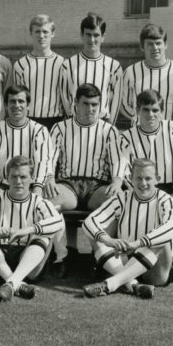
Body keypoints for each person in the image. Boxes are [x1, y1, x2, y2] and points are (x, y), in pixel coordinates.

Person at [120, 89, 173, 284]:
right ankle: (161, 264)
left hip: (171, 186)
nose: (150, 115)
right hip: (142, 189)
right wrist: (140, 193)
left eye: (155, 110)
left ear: (162, 111)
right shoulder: (127, 136)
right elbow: (123, 170)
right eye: (145, 110)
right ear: (137, 111)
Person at [0, 155, 65, 302]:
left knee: (44, 233)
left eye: (23, 177)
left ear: (32, 178)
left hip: (29, 261)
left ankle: (11, 283)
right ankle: (15, 283)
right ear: (7, 178)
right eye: (14, 176)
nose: (18, 181)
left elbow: (57, 221)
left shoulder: (39, 202)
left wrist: (26, 230)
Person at [46, 83, 123, 272]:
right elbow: (49, 157)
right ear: (76, 104)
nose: (90, 109)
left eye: (95, 105)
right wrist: (48, 177)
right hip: (69, 183)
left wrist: (117, 181)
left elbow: (118, 160)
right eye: (86, 104)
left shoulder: (109, 130)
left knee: (119, 201)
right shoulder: (60, 128)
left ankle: (104, 255)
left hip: (97, 186)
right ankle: (62, 254)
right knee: (49, 201)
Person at [82, 158, 173, 299]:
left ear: (157, 179)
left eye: (148, 178)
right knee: (97, 237)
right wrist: (108, 240)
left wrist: (137, 244)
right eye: (138, 178)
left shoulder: (168, 201)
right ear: (130, 179)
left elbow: (170, 228)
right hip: (125, 260)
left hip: (155, 270)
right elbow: (89, 221)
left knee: (161, 240)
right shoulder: (122, 198)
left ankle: (110, 284)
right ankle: (134, 285)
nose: (143, 183)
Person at [0, 85, 51, 199]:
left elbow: (42, 162)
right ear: (6, 105)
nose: (16, 105)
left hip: (30, 186)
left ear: (28, 105)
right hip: (1, 184)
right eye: (12, 101)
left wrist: (37, 190)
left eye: (21, 101)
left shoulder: (39, 130)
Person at [59, 12, 122, 124]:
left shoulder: (114, 66)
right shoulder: (68, 65)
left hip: (102, 122)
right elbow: (65, 98)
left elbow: (116, 100)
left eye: (96, 35)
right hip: (76, 122)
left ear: (103, 37)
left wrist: (110, 127)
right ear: (81, 35)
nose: (92, 40)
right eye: (88, 34)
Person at [121, 23, 173, 126]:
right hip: (140, 133)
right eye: (149, 44)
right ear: (142, 47)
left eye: (158, 43)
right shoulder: (131, 72)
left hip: (170, 133)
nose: (154, 48)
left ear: (165, 45)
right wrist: (143, 119)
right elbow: (124, 104)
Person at [13, 14, 66, 130]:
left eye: (45, 32)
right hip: (27, 121)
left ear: (53, 33)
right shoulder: (20, 65)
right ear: (31, 34)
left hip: (55, 121)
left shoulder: (63, 64)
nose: (41, 36)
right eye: (37, 32)